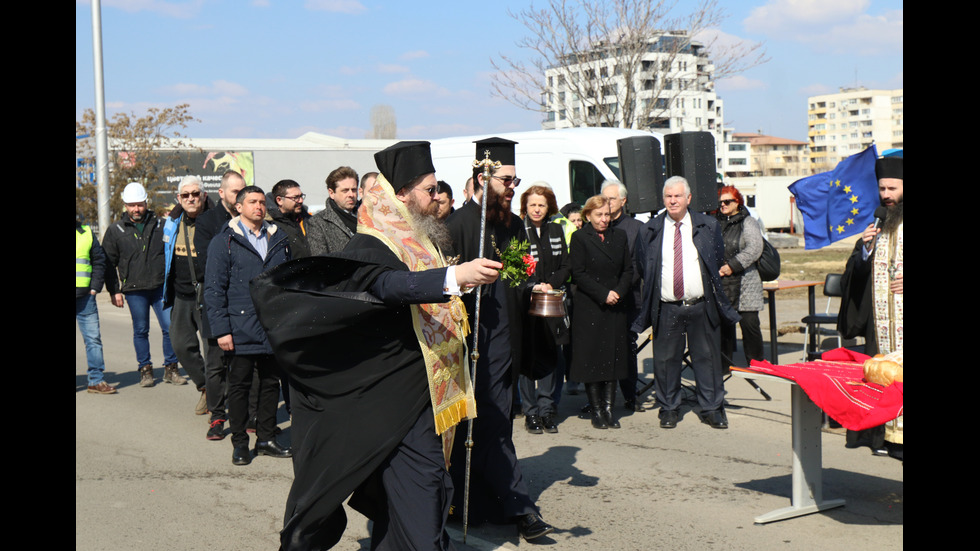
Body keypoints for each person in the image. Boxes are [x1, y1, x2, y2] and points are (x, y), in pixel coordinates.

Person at [251, 141, 501, 550]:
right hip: (390, 403)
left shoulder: (423, 238)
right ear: (401, 194)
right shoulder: (372, 243)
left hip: (425, 395)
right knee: (422, 500)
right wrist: (451, 278)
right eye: (429, 189)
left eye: (437, 189)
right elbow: (386, 285)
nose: (437, 197)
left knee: (418, 499)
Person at [445, 137, 554, 540]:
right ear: (483, 177)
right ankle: (519, 507)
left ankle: (484, 502)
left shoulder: (511, 223)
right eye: (507, 180)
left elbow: (517, 277)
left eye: (515, 179)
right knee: (480, 426)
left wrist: (534, 289)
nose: (513, 187)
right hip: (473, 344)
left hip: (508, 340)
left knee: (498, 424)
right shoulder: (456, 225)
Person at [632, 176, 740, 430]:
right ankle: (669, 408)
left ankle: (712, 408)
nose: (673, 200)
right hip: (667, 306)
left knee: (707, 358)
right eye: (668, 196)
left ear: (688, 198)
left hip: (701, 305)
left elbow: (714, 259)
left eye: (678, 196)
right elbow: (642, 265)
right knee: (666, 360)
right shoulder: (650, 229)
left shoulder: (708, 225)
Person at [204, 185, 293, 466]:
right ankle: (240, 443)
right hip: (239, 326)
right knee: (240, 387)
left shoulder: (279, 238)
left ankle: (266, 438)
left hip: (272, 326)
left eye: (261, 202)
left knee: (270, 384)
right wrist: (221, 330)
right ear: (239, 207)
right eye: (252, 202)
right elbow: (214, 289)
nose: (259, 206)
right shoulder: (225, 241)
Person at [838, 155, 903, 458]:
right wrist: (864, 251)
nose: (886, 195)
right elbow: (854, 274)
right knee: (880, 375)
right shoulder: (875, 226)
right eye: (882, 189)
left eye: (892, 188)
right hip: (880, 324)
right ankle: (884, 437)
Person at [102, 182, 179, 388]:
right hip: (134, 290)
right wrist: (114, 291)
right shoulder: (115, 230)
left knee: (170, 328)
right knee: (141, 330)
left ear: (146, 203)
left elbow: (174, 252)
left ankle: (171, 368)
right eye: (131, 205)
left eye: (140, 204)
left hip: (160, 287)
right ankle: (145, 370)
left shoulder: (162, 224)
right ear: (125, 206)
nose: (136, 209)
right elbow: (108, 263)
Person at [569, 195, 634, 429]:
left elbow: (628, 269)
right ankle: (597, 410)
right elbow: (578, 273)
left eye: (607, 214)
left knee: (613, 359)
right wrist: (603, 293)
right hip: (591, 307)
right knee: (593, 359)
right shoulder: (579, 238)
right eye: (599, 215)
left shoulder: (620, 236)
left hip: (615, 305)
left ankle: (609, 409)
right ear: (588, 215)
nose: (604, 219)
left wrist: (618, 291)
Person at [195, 170, 247, 440]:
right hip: (217, 301)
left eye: (243, 190)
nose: (239, 196)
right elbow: (209, 266)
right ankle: (217, 416)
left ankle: (247, 413)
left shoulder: (250, 219)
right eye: (235, 191)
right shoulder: (207, 222)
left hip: (245, 304)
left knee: (243, 362)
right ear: (222, 193)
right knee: (215, 364)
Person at [517, 183, 570, 434]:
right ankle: (531, 412)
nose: (537, 209)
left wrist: (552, 283)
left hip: (551, 300)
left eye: (541, 205)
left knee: (551, 354)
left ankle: (547, 409)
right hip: (527, 301)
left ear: (549, 207)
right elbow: (513, 265)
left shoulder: (556, 229)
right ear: (525, 207)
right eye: (532, 205)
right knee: (527, 357)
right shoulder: (517, 229)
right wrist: (534, 285)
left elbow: (566, 264)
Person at [163, 176, 215, 414]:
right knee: (181, 345)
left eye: (195, 194)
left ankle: (217, 400)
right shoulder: (171, 222)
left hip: (209, 293)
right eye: (186, 195)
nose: (191, 198)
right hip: (181, 295)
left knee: (213, 351)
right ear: (179, 198)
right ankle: (206, 387)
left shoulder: (217, 220)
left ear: (203, 195)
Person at [601, 180, 647, 412]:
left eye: (611, 199)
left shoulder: (636, 228)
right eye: (604, 198)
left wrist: (619, 288)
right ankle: (599, 400)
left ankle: (630, 395)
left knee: (627, 347)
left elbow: (639, 264)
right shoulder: (598, 224)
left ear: (623, 200)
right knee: (601, 348)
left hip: (628, 298)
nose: (607, 203)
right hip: (601, 298)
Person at [715, 185, 765, 371]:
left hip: (746, 282)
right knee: (724, 326)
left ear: (738, 202)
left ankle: (757, 366)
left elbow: (754, 249)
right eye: (720, 202)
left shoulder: (748, 222)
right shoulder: (714, 222)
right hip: (721, 282)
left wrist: (731, 266)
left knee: (750, 324)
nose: (723, 205)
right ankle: (724, 367)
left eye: (727, 201)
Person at [77, 219, 117, 394]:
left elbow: (99, 260)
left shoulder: (86, 232)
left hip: (85, 297)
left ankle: (96, 380)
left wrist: (95, 288)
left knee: (93, 340)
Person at [307, 166, 359, 255]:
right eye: (345, 190)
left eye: (353, 190)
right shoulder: (318, 223)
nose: (351, 194)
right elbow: (320, 259)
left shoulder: (367, 216)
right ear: (331, 193)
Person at [269, 179, 312, 259]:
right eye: (295, 198)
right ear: (279, 200)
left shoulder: (310, 221)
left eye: (301, 196)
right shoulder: (272, 226)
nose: (301, 201)